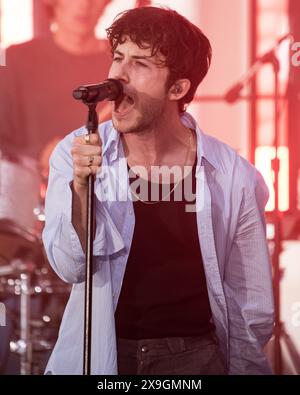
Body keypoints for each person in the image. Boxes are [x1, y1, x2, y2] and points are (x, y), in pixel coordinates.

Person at [42, 6, 275, 375]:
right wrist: (80, 189)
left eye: (141, 64)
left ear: (178, 88)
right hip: (104, 352)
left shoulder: (233, 176)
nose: (119, 75)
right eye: (118, 58)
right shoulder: (77, 153)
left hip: (195, 358)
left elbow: (253, 305)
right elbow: (70, 266)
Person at [0, 0, 112, 175]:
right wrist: (39, 155)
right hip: (29, 189)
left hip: (103, 188)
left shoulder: (120, 62)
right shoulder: (14, 59)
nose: (84, 5)